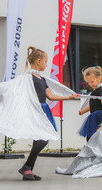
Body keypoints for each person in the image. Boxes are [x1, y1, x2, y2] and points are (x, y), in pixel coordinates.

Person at [18, 46, 79, 181]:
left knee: (38, 140)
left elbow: (50, 96)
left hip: (44, 110)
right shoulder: (27, 78)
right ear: (38, 61)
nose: (47, 64)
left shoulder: (42, 79)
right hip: (35, 111)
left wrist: (69, 97)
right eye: (46, 61)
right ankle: (27, 167)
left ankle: (28, 170)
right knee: (43, 139)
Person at [78, 66, 102, 141]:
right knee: (92, 135)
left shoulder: (100, 90)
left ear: (99, 79)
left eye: (92, 82)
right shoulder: (94, 91)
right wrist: (83, 111)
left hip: (98, 116)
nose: (90, 84)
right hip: (94, 115)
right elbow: (92, 105)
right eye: (88, 82)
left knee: (96, 135)